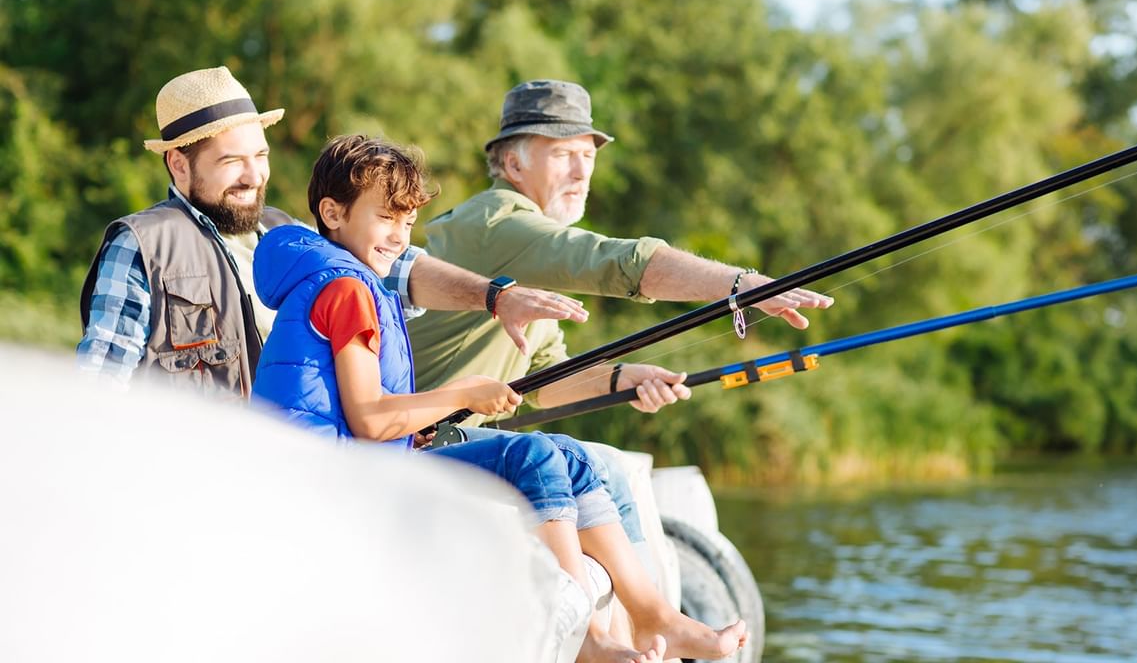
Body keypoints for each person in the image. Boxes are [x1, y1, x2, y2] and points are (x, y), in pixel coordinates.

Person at [250, 134, 748, 662]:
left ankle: (655, 619)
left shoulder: (351, 280)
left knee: (573, 457)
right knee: (531, 455)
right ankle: (580, 634)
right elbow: (371, 419)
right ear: (332, 212)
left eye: (408, 223)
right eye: (385, 219)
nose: (399, 238)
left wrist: (420, 421)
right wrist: (462, 394)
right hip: (341, 476)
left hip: (369, 458)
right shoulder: (347, 289)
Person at [77, 66, 584, 397]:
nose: (254, 176)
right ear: (179, 166)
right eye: (232, 161)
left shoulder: (287, 233)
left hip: (301, 473)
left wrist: (495, 297)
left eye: (261, 156)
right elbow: (100, 385)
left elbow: (400, 265)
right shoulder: (142, 244)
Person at [408, 79, 834, 422]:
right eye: (562, 154)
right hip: (413, 438)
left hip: (449, 442)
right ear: (515, 165)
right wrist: (743, 285)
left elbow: (542, 380)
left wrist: (624, 380)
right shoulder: (496, 222)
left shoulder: (528, 245)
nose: (580, 172)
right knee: (590, 468)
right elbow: (616, 262)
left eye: (587, 155)